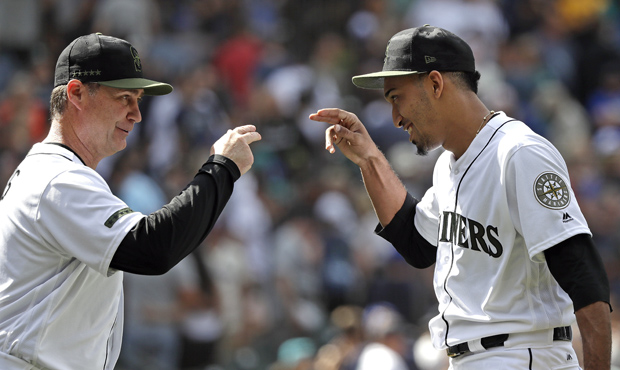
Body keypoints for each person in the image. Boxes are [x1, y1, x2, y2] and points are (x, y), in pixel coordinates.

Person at [310, 25, 612, 369]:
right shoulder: (448, 165)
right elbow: (417, 243)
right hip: (474, 357)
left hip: (522, 354)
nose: (395, 118)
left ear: (436, 83)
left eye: (397, 97)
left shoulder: (518, 153)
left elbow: (585, 279)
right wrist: (370, 159)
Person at [0, 33, 261, 369]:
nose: (136, 115)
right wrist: (221, 168)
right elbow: (153, 247)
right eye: (124, 98)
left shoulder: (51, 171)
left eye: (137, 100)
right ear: (76, 93)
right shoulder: (59, 179)